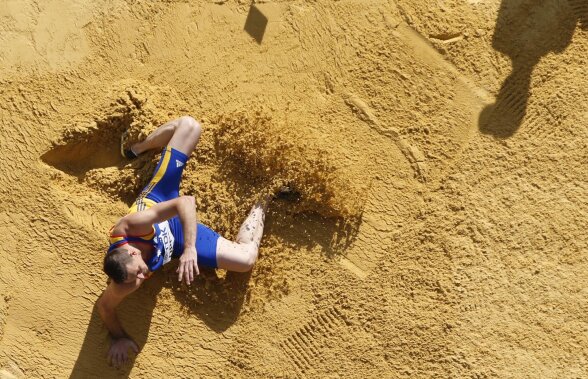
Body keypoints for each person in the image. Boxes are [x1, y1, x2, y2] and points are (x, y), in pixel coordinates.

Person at [96, 116, 270, 367]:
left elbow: (185, 203)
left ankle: (137, 149)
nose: (141, 278)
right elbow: (104, 308)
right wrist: (119, 338)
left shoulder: (132, 226)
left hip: (161, 199)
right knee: (245, 260)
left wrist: (190, 250)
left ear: (132, 253)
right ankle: (266, 197)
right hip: (176, 239)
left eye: (139, 272)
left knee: (190, 126)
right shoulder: (124, 282)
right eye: (135, 279)